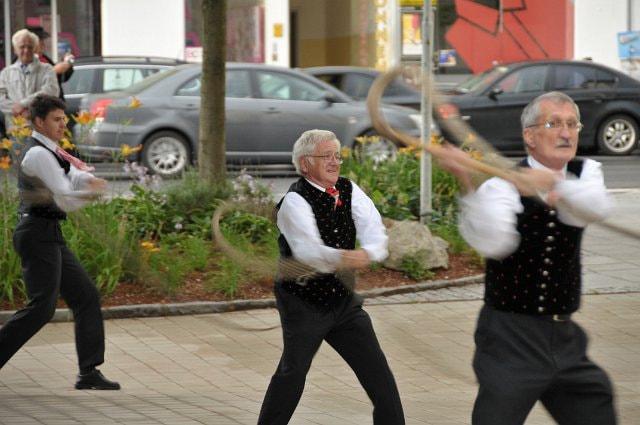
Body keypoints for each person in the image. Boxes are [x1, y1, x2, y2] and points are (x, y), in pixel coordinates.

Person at [438, 91, 617, 424]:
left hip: (564, 336)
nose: (566, 133)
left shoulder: (585, 171)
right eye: (554, 123)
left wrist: (551, 183)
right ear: (530, 136)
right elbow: (495, 244)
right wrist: (465, 179)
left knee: (596, 405)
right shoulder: (501, 185)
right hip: (510, 337)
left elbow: (592, 208)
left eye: (572, 124)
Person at [257, 129, 405, 424]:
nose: (335, 162)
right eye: (326, 156)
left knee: (378, 373)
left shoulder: (349, 190)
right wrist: (344, 257)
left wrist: (369, 251)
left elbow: (375, 229)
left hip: (343, 301)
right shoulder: (294, 202)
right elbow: (307, 251)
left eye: (337, 156)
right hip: (303, 301)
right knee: (293, 373)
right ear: (305, 163)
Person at [0, 94, 120, 391]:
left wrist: (87, 182)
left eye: (64, 119)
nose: (63, 124)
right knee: (42, 308)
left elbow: (72, 175)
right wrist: (90, 193)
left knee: (85, 296)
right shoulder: (38, 154)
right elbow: (64, 198)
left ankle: (88, 372)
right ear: (39, 122)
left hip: (48, 232)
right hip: (36, 234)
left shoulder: (52, 152)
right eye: (56, 119)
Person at [0, 29, 59, 134]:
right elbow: (1, 98)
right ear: (15, 49)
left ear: (35, 49)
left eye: (30, 47)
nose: (26, 50)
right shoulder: (6, 73)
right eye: (22, 47)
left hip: (41, 129)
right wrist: (18, 111)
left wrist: (25, 105)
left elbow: (51, 91)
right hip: (15, 130)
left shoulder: (47, 69)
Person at [26, 26, 75, 102]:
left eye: (43, 40)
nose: (43, 44)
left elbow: (62, 78)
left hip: (54, 103)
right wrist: (53, 70)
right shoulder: (24, 61)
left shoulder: (45, 59)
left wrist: (67, 65)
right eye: (40, 41)